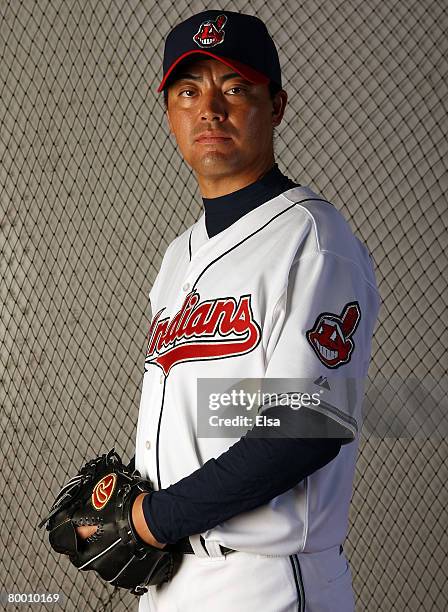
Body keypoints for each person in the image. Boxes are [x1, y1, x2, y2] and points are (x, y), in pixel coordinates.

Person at [76, 10, 380, 611]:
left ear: (277, 105)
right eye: (189, 91)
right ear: (169, 112)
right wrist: (131, 506)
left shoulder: (314, 240)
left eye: (235, 88)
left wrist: (149, 519)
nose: (209, 110)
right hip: (169, 579)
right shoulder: (178, 256)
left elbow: (305, 427)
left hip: (266, 581)